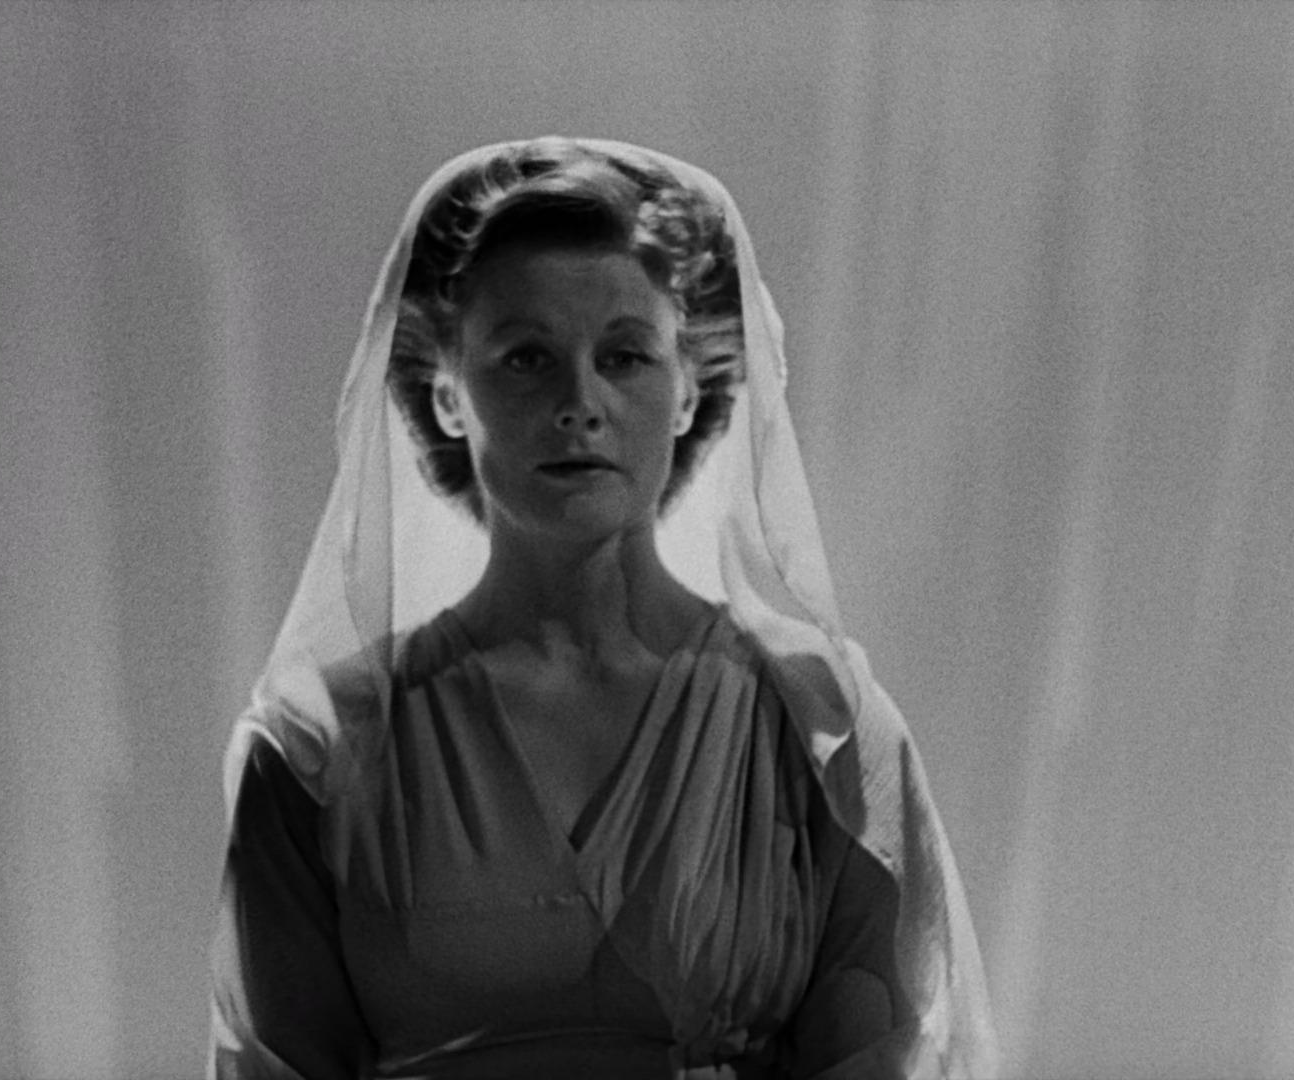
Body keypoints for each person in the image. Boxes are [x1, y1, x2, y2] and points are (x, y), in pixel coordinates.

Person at [208, 138, 997, 1079]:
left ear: (687, 391)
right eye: (526, 358)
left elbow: (890, 1057)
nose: (579, 402)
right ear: (449, 396)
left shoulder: (818, 732)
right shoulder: (321, 747)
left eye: (624, 357)